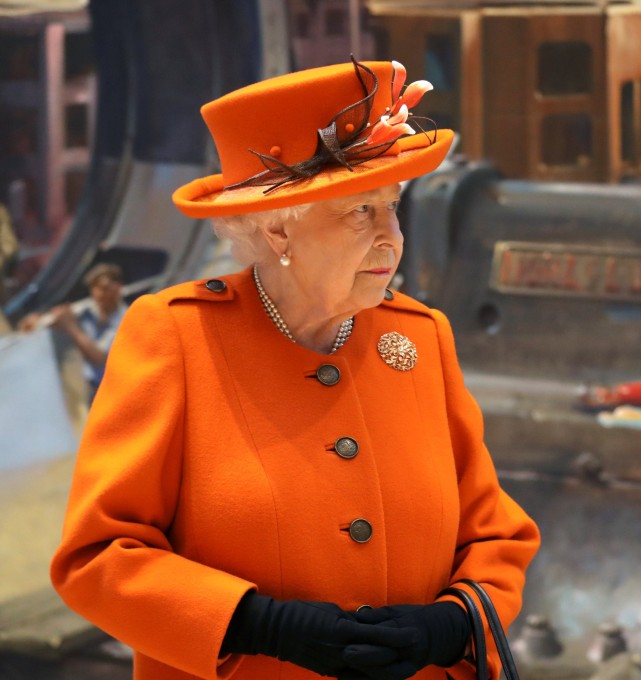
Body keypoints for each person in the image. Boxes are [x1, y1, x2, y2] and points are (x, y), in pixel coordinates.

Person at [50, 58, 541, 680]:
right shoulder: (177, 335)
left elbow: (496, 537)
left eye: (393, 207)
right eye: (361, 211)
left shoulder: (420, 337)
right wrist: (259, 625)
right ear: (279, 229)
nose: (392, 237)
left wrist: (452, 624)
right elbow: (97, 557)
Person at [19, 262, 127, 405]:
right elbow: (49, 324)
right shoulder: (85, 309)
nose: (99, 294)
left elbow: (100, 358)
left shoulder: (126, 319)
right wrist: (39, 323)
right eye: (94, 288)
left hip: (100, 392)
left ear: (118, 287)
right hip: (71, 382)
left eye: (104, 288)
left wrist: (70, 326)